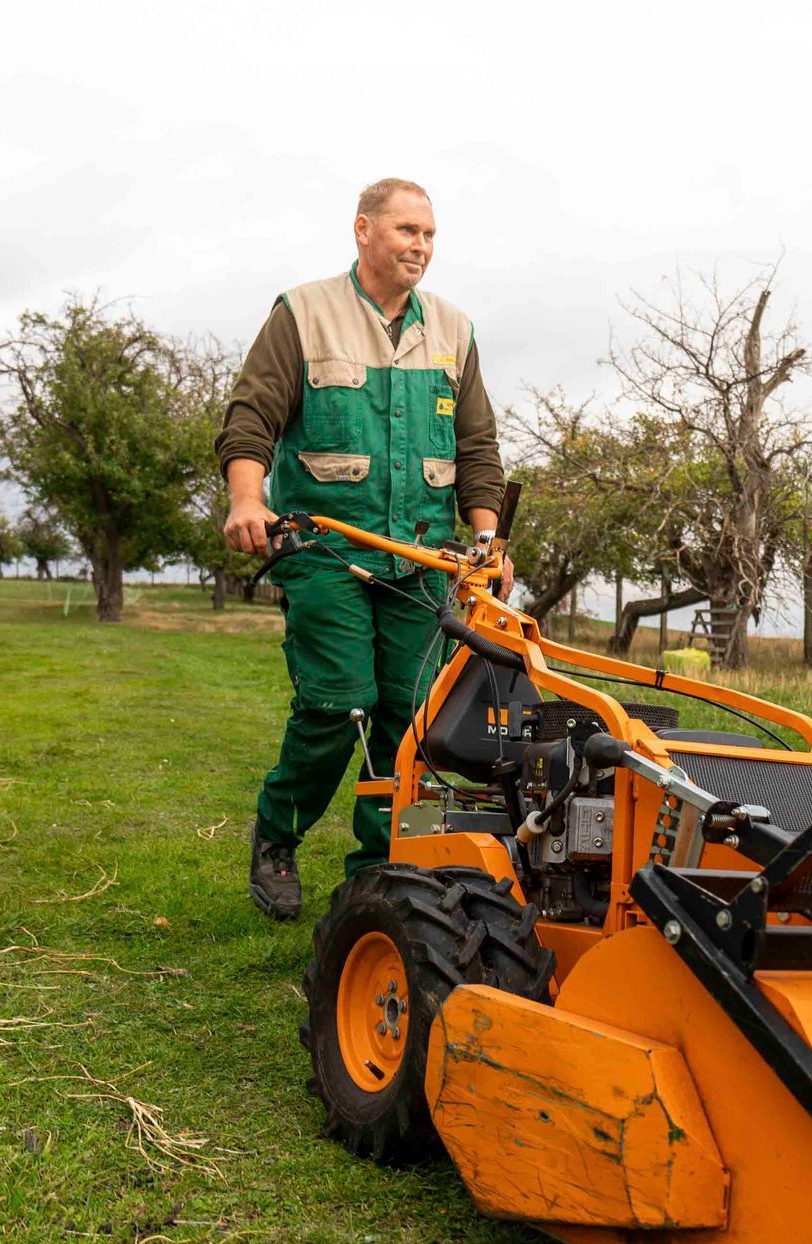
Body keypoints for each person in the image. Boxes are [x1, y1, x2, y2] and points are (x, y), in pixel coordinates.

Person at [216, 177, 512, 921]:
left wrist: (487, 541)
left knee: (411, 718)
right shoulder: (303, 313)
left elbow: (477, 448)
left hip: (420, 558)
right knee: (337, 704)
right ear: (363, 230)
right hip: (325, 546)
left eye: (431, 235)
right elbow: (252, 416)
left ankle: (377, 880)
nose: (421, 246)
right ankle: (278, 835)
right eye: (408, 230)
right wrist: (248, 498)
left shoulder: (454, 329)